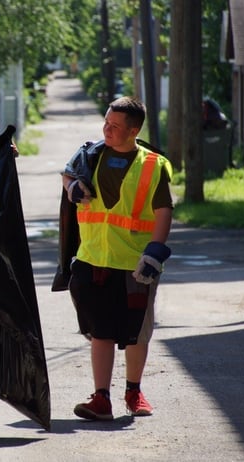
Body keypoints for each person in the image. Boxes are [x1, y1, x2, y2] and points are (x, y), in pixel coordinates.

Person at [61, 96, 173, 420]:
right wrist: (71, 189)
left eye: (114, 126)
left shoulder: (154, 165)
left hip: (136, 265)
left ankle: (134, 392)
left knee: (136, 332)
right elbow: (68, 174)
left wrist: (155, 251)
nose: (106, 129)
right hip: (93, 259)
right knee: (101, 331)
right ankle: (101, 399)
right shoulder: (90, 155)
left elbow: (164, 210)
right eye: (106, 122)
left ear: (133, 130)